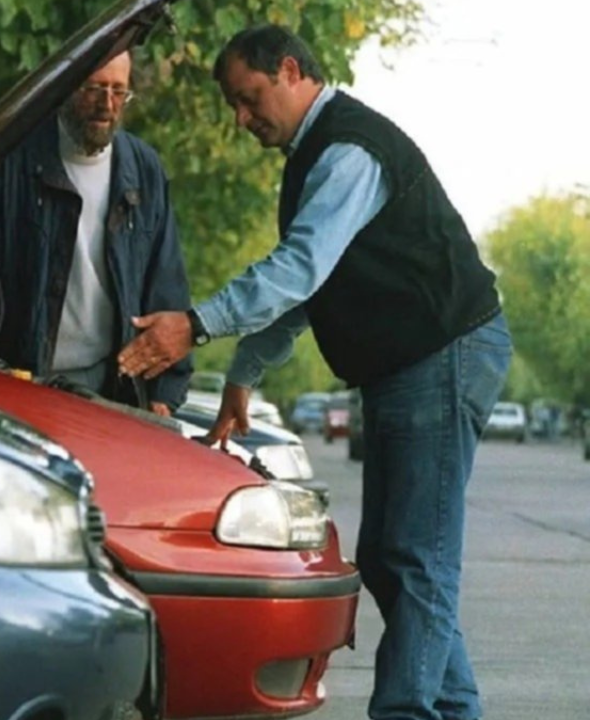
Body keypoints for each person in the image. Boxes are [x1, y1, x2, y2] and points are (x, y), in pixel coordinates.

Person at [118, 25, 511, 720]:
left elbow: (298, 270)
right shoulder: (315, 156)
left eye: (249, 98)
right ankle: (456, 711)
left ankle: (407, 712)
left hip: (443, 353)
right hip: (410, 365)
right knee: (389, 558)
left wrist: (196, 324)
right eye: (233, 106)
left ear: (292, 70)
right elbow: (313, 284)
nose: (242, 120)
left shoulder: (349, 151)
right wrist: (243, 375)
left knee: (415, 557)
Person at [0, 50, 193, 415]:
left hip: (111, 388)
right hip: (15, 382)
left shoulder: (144, 169)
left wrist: (165, 390)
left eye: (119, 91)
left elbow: (167, 285)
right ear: (66, 86)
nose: (106, 104)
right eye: (94, 88)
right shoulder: (14, 157)